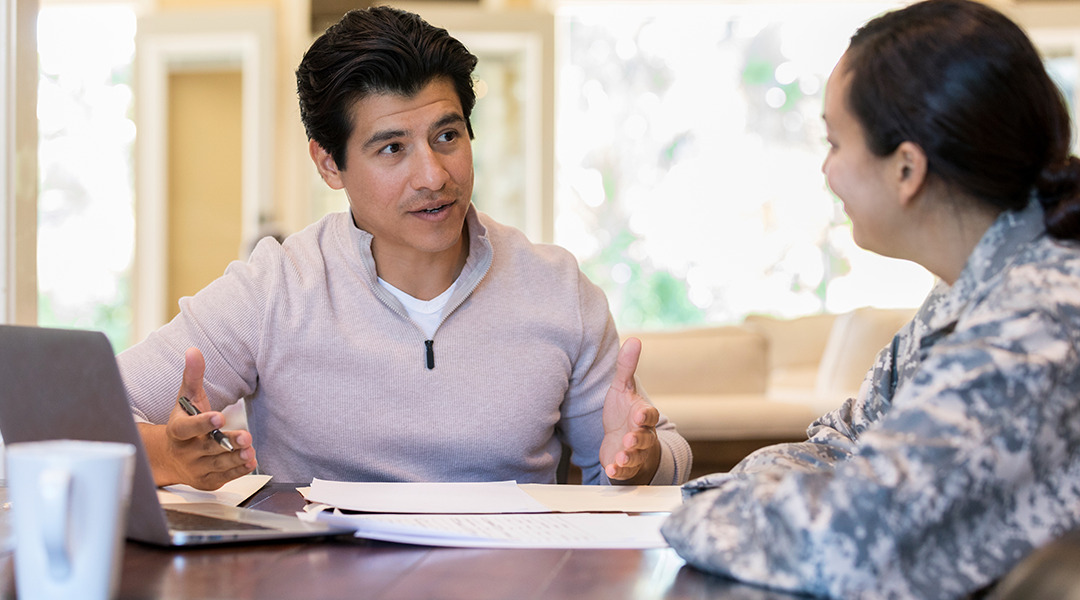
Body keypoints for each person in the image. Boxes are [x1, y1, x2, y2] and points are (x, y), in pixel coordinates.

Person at [118, 6, 691, 491]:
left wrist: (639, 462)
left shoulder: (557, 289)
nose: (434, 176)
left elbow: (656, 457)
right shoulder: (275, 289)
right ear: (328, 164)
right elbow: (72, 421)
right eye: (392, 148)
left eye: (448, 136)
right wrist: (168, 457)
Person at [660, 1, 1080, 598]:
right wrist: (750, 497)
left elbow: (842, 541)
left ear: (907, 168)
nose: (826, 171)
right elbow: (843, 443)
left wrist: (703, 509)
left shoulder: (1041, 320)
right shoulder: (971, 290)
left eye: (834, 143)